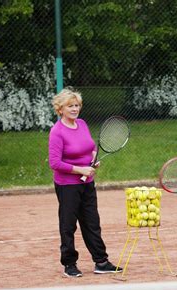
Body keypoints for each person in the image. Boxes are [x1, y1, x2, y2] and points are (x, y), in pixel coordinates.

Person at [48, 87, 123, 277]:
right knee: (68, 225)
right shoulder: (57, 132)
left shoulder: (82, 124)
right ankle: (69, 264)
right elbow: (54, 163)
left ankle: (101, 262)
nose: (74, 109)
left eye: (77, 105)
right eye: (70, 106)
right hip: (67, 185)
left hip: (87, 182)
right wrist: (80, 169)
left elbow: (89, 147)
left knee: (92, 222)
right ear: (60, 109)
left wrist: (92, 159)